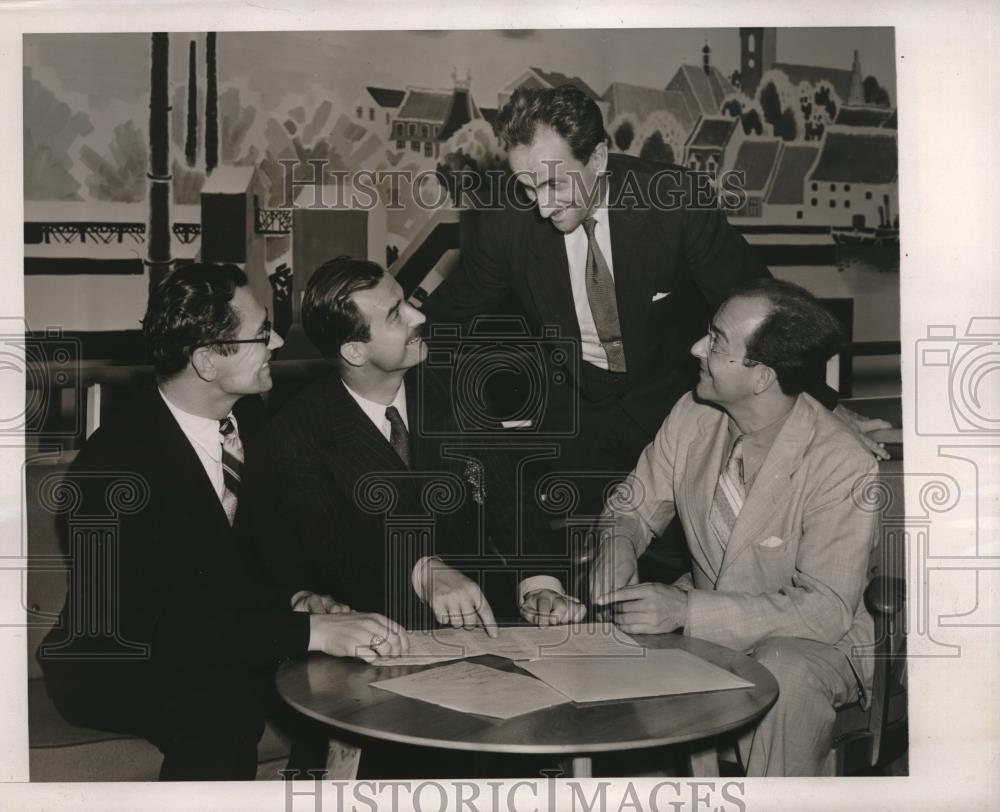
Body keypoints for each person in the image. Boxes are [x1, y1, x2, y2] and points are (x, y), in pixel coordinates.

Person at [422, 84, 888, 518]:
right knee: (573, 564)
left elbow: (764, 308)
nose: (541, 208)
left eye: (554, 185)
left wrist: (819, 404)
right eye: (526, 187)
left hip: (676, 410)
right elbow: (446, 322)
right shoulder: (505, 225)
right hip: (574, 417)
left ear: (599, 157)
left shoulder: (675, 203)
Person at [39, 263, 407, 781]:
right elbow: (158, 627)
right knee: (221, 708)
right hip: (120, 660)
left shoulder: (251, 420)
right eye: (261, 333)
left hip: (223, 639)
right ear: (208, 360)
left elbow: (260, 551)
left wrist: (300, 597)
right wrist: (307, 630)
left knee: (348, 686)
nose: (278, 340)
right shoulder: (112, 468)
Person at [587, 279, 878, 776]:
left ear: (761, 376)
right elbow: (631, 506)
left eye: (717, 341)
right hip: (706, 625)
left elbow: (826, 611)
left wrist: (685, 608)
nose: (697, 348)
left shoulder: (841, 461)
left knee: (782, 666)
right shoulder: (692, 415)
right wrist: (616, 547)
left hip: (814, 644)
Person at [243, 257, 582, 633]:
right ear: (355, 351)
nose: (417, 316)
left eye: (406, 301)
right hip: (379, 633)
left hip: (486, 624)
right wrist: (422, 569)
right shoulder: (298, 430)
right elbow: (335, 553)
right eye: (395, 314)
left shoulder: (455, 389)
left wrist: (539, 585)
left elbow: (510, 495)